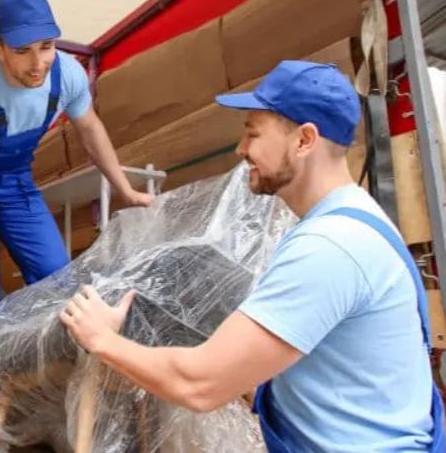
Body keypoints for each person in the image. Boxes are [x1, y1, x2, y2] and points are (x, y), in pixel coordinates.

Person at [60, 61, 444, 452]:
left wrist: (102, 339)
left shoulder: (330, 246)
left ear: (304, 140)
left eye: (253, 133)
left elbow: (199, 385)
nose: (241, 149)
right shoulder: (357, 218)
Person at [0, 0, 153, 448]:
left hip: (16, 179)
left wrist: (125, 189)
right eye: (23, 51)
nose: (38, 64)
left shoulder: (66, 73)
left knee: (60, 280)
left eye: (47, 47)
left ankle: (51, 398)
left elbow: (90, 129)